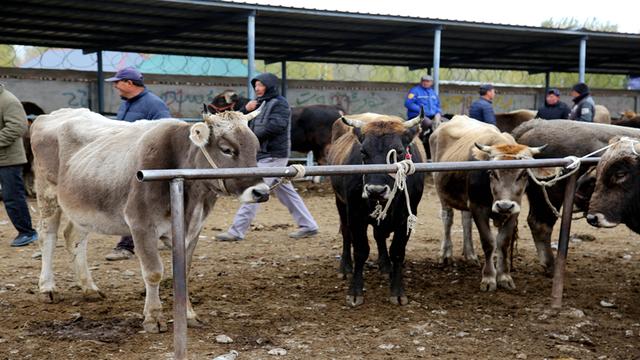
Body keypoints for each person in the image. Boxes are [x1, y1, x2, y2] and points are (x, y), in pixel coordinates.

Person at [215, 73, 319, 242]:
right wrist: (245, 110)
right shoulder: (259, 104)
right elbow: (240, 120)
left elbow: (276, 126)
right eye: (256, 85)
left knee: (254, 190)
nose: (257, 88)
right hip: (264, 155)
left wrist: (251, 139)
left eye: (261, 85)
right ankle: (309, 225)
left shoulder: (280, 104)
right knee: (287, 192)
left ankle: (236, 231)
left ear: (269, 86)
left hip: (274, 156)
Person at [103, 67, 171, 260]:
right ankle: (169, 235)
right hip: (127, 161)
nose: (115, 85)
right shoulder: (126, 104)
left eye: (118, 82)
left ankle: (126, 246)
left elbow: (165, 131)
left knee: (135, 204)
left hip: (145, 163)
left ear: (129, 83)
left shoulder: (154, 105)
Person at [0, 83, 38, 247]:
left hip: (8, 159)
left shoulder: (8, 100)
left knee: (12, 197)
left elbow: (17, 126)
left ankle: (27, 232)